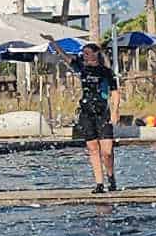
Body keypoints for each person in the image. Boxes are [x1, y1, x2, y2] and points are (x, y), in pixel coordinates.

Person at [44, 36, 121, 193]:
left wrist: (115, 111)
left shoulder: (106, 72)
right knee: (93, 148)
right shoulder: (81, 68)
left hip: (102, 114)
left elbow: (115, 92)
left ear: (95, 54)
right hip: (86, 114)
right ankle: (99, 184)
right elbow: (64, 56)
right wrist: (53, 42)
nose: (83, 56)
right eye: (83, 53)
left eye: (86, 53)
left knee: (107, 151)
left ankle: (111, 176)